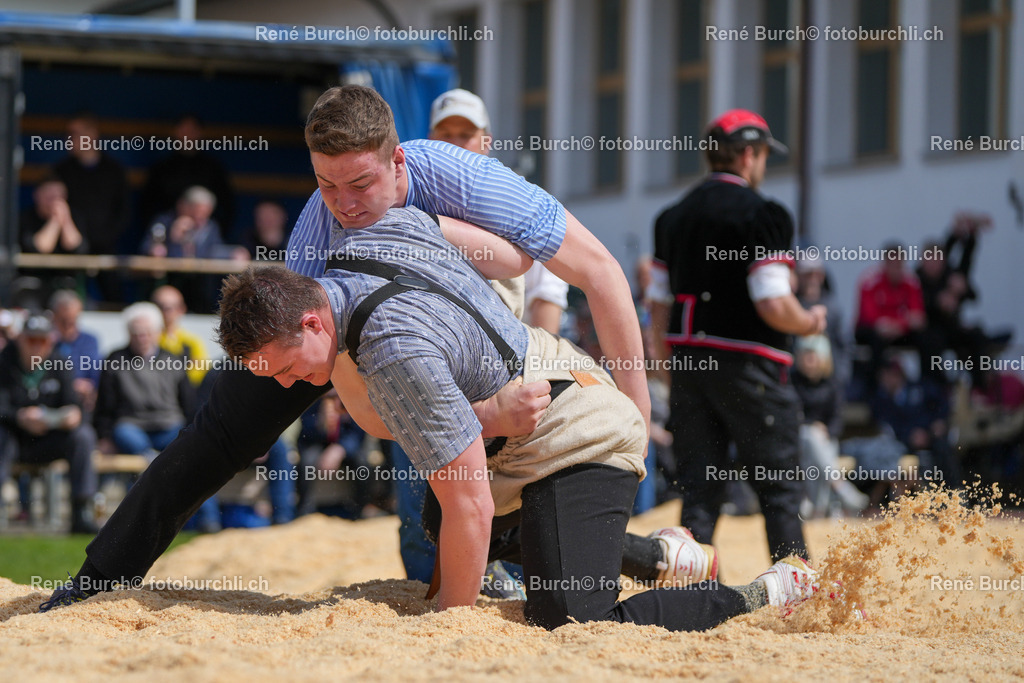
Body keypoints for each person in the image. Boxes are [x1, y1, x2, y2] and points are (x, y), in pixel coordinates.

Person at [41, 84, 647, 607]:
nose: (346, 205)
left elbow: (601, 274)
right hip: (334, 328)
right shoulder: (317, 239)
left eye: (360, 184)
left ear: (400, 163)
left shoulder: (461, 177)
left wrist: (639, 426)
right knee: (217, 434)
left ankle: (554, 550)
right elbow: (335, 373)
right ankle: (97, 580)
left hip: (450, 326)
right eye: (327, 186)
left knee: (465, 482)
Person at [210, 208, 824, 630]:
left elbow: (472, 506)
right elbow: (505, 256)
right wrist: (488, 397)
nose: (288, 383)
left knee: (571, 616)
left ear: (314, 321)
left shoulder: (392, 349)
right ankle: (652, 556)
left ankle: (764, 592)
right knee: (437, 517)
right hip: (538, 400)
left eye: (284, 366)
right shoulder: (367, 236)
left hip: (582, 432)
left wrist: (447, 622)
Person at [649, 109, 825, 564]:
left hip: (690, 366)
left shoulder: (671, 217)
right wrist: (809, 322)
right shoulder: (764, 214)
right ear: (749, 154)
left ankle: (690, 596)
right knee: (780, 492)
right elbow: (771, 302)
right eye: (764, 154)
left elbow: (658, 309)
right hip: (752, 369)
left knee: (699, 494)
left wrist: (669, 372)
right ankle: (795, 595)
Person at [427, 88, 568, 335]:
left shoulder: (519, 201)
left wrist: (538, 368)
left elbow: (547, 294)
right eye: (446, 134)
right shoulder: (413, 201)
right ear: (430, 139)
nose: (456, 145)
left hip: (511, 362)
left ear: (486, 141)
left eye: (465, 135)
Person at [0, 313, 98, 533]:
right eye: (31, 339)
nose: (36, 346)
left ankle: (81, 512)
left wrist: (71, 416)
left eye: (42, 340)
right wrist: (21, 417)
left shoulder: (60, 363)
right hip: (13, 439)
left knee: (83, 436)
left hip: (48, 438)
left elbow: (73, 404)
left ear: (50, 341)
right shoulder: (4, 362)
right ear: (20, 339)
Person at [54, 112, 130, 303]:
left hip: (106, 247)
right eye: (68, 134)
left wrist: (108, 237)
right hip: (71, 248)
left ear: (92, 135)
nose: (70, 139)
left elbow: (124, 210)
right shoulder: (62, 171)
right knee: (68, 299)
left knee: (114, 299)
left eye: (76, 134)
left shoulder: (113, 170)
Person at [792, 335, 868, 518]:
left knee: (815, 451)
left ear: (823, 357)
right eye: (805, 355)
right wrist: (812, 427)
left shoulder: (833, 384)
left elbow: (836, 421)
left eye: (812, 355)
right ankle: (838, 486)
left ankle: (816, 507)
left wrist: (825, 431)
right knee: (809, 437)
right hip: (798, 439)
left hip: (825, 442)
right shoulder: (792, 382)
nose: (808, 360)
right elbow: (791, 416)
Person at [139, 114, 235, 237]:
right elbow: (148, 206)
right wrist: (161, 233)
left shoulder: (213, 168)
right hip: (168, 235)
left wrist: (209, 232)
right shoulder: (162, 168)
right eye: (183, 130)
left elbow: (226, 206)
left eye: (192, 130)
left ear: (200, 133)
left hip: (204, 237)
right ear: (176, 132)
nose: (187, 135)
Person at [854, 243, 926, 385]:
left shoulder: (911, 283)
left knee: (927, 338)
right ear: (884, 263)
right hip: (872, 332)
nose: (896, 268)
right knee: (876, 340)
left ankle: (924, 386)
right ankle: (874, 387)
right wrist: (903, 321)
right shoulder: (870, 282)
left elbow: (918, 318)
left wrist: (897, 325)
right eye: (892, 264)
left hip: (899, 332)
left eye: (899, 264)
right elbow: (870, 317)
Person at [49, 290, 102, 415]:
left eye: (73, 321)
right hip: (53, 403)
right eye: (64, 321)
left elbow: (97, 375)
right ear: (54, 317)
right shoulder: (45, 343)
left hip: (84, 404)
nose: (69, 327)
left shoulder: (90, 341)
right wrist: (72, 385)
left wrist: (91, 388)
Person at [151, 285, 210, 386]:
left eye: (171, 307)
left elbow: (201, 371)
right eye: (161, 306)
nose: (166, 312)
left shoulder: (192, 342)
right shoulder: (147, 340)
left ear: (182, 309)